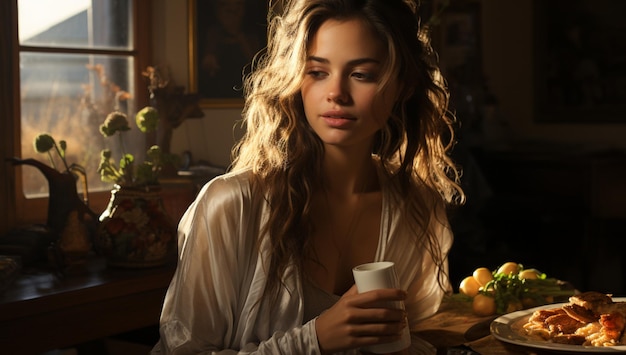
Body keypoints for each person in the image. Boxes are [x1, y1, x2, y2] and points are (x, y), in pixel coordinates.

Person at [152, 0, 464, 353]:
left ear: (402, 86)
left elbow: (410, 338)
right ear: (295, 78)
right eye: (317, 72)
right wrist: (314, 340)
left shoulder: (416, 208)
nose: (336, 94)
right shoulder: (231, 205)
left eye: (361, 74)